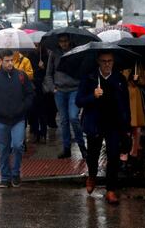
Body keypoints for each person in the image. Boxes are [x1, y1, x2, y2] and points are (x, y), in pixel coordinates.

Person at [76, 52, 131, 204]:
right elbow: (79, 101)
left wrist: (127, 127)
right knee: (93, 155)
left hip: (114, 123)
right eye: (104, 61)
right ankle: (92, 175)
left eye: (110, 61)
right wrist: (92, 96)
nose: (107, 64)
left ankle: (111, 190)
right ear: (98, 62)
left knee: (113, 155)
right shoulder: (90, 78)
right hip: (95, 122)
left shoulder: (119, 79)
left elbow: (126, 104)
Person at [0, 49, 34, 188]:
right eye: (7, 61)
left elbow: (30, 93)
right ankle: (5, 177)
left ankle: (16, 173)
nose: (10, 63)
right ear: (0, 61)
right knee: (3, 149)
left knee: (18, 146)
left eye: (12, 60)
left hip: (18, 118)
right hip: (2, 119)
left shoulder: (21, 76)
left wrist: (23, 107)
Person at [43, 34, 87, 159]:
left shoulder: (76, 51)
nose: (64, 44)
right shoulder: (54, 54)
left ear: (70, 40)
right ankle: (66, 148)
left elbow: (83, 71)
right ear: (58, 42)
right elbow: (48, 74)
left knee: (73, 118)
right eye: (61, 41)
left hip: (74, 90)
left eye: (66, 41)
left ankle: (82, 147)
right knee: (64, 121)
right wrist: (53, 88)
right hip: (60, 91)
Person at [26, 43, 49, 143]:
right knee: (33, 111)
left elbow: (49, 72)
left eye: (38, 45)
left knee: (43, 112)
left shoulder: (46, 56)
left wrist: (43, 67)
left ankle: (43, 133)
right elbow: (29, 72)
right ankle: (35, 133)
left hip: (42, 88)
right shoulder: (30, 56)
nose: (36, 47)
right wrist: (37, 68)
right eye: (35, 45)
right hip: (32, 86)